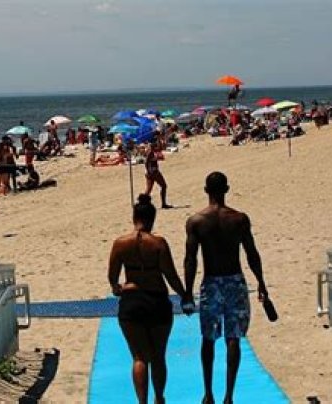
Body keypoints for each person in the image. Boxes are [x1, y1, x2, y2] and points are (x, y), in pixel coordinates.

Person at [182, 172, 270, 404]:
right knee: (234, 337)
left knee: (208, 338)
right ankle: (229, 396)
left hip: (211, 282)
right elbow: (251, 253)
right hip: (235, 282)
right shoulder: (239, 219)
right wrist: (261, 282)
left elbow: (190, 259)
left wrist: (187, 292)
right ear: (227, 189)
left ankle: (208, 393)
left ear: (205, 190)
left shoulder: (196, 221)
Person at [108, 194, 188, 404]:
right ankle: (159, 398)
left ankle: (142, 402)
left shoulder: (120, 244)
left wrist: (118, 288)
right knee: (158, 356)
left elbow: (112, 277)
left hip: (131, 302)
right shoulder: (158, 243)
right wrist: (185, 295)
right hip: (157, 301)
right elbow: (171, 275)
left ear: (134, 217)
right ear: (152, 219)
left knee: (139, 357)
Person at [144, 142, 172, 209]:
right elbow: (146, 162)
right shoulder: (151, 153)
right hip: (154, 172)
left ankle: (142, 204)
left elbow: (161, 158)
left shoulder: (152, 152)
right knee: (163, 186)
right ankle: (163, 204)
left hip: (150, 173)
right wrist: (149, 171)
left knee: (149, 189)